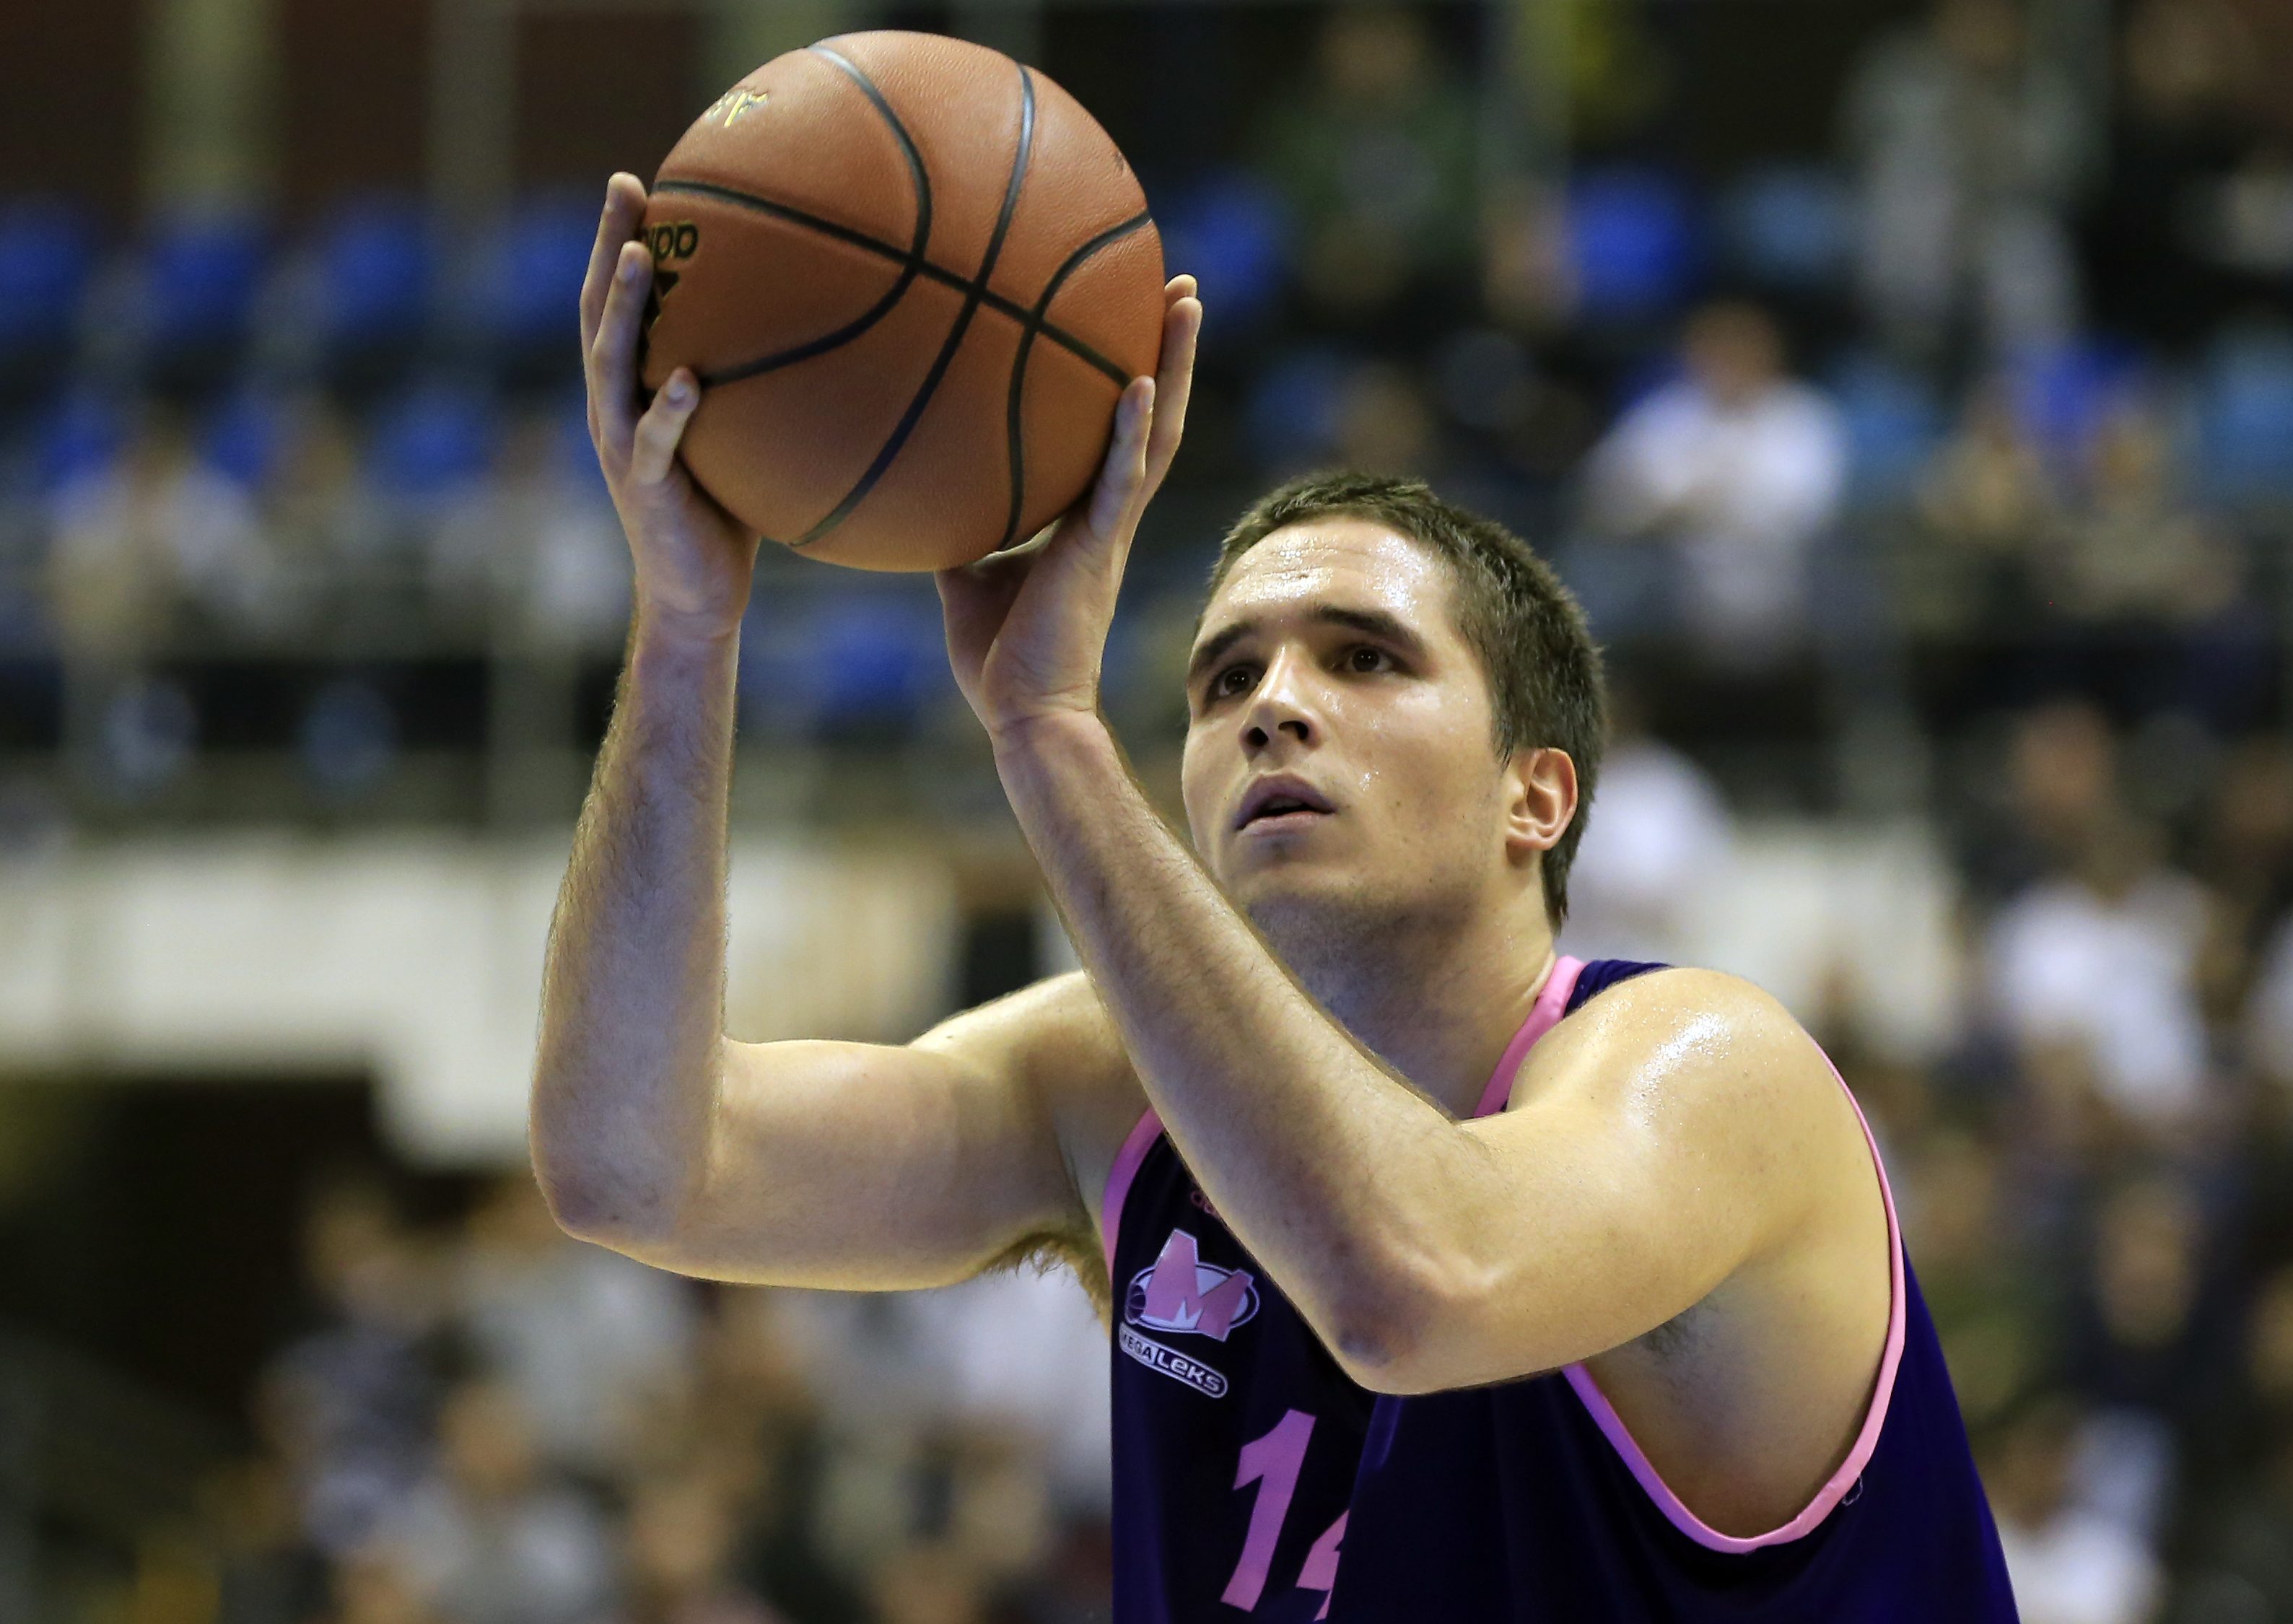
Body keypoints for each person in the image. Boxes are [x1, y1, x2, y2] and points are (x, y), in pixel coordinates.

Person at [532, 175, 2015, 1620]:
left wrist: (1046, 732)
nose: (1272, 707)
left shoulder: (1714, 1078)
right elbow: (630, 1165)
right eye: (1224, 676)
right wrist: (684, 629)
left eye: (1363, 658)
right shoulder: (1105, 1090)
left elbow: (1412, 1283)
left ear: (1535, 794)